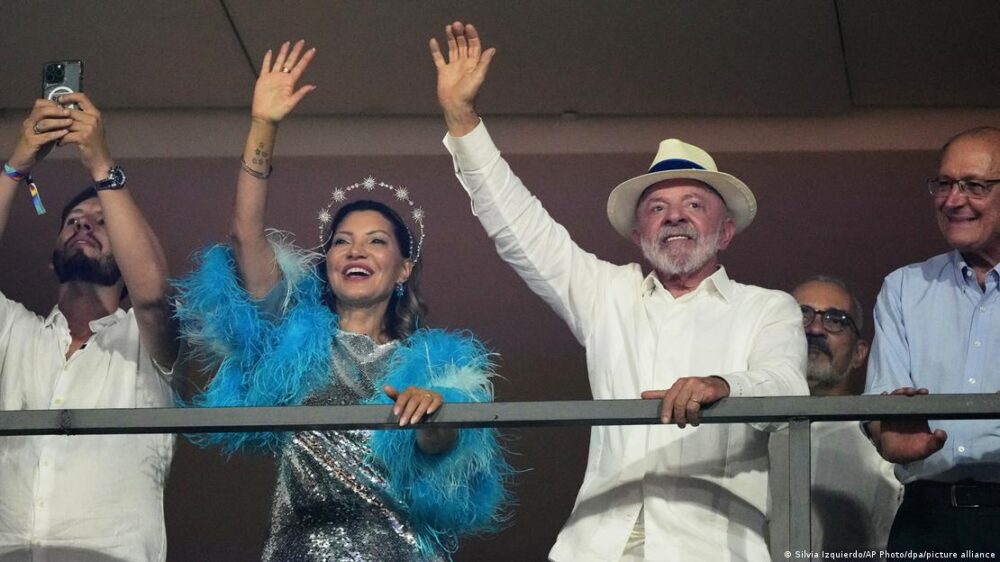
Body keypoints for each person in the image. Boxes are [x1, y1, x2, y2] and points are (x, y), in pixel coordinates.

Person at [430, 21, 807, 561]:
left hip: (713, 548)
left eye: (694, 205)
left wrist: (723, 384)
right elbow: (520, 227)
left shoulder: (766, 308)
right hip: (596, 545)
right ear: (638, 235)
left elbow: (787, 385)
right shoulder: (609, 293)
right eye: (657, 208)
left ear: (725, 233)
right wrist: (463, 121)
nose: (674, 216)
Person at [174, 41, 510, 561]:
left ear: (402, 270)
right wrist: (264, 124)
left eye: (377, 241)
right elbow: (245, 236)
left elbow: (447, 467)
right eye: (342, 240)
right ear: (327, 263)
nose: (356, 249)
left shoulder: (436, 368)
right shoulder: (292, 343)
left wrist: (436, 421)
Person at [0, 94, 179, 560]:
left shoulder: (145, 345)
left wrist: (101, 165)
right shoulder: (15, 332)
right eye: (73, 222)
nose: (84, 226)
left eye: (101, 223)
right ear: (52, 255)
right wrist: (16, 162)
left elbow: (154, 293)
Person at [865, 126, 1000, 555]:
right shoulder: (904, 287)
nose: (952, 199)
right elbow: (877, 407)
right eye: (943, 183)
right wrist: (884, 433)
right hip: (926, 519)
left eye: (974, 185)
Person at [768, 276, 902, 560]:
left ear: (859, 353)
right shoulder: (745, 433)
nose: (815, 329)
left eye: (836, 320)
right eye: (800, 315)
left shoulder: (886, 441)